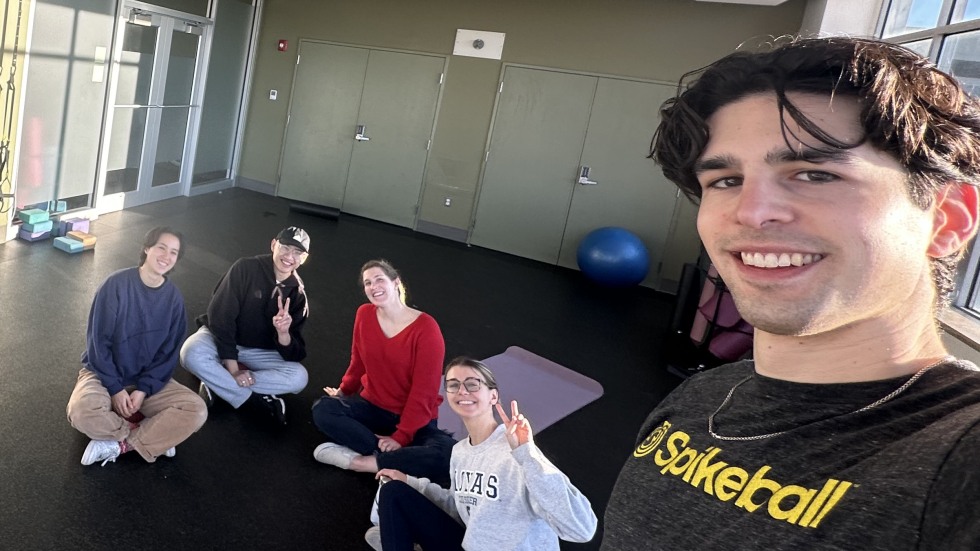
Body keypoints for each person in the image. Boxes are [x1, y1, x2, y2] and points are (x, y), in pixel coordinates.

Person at [601, 37, 980, 550]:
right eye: (726, 180)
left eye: (814, 173)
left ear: (947, 219)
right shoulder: (699, 398)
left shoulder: (956, 452)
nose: (752, 212)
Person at [366, 357, 598, 551]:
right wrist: (409, 481)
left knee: (394, 529)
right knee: (394, 491)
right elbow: (459, 506)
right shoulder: (460, 452)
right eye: (454, 385)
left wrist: (526, 454)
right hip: (470, 545)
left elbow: (582, 529)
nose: (462, 391)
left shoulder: (518, 452)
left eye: (473, 384)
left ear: (493, 396)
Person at [67, 226, 207, 466]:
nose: (166, 256)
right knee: (81, 412)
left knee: (197, 410)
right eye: (161, 248)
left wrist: (143, 389)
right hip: (103, 375)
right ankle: (152, 435)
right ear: (147, 248)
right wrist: (115, 388)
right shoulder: (115, 285)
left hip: (147, 381)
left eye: (173, 253)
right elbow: (98, 345)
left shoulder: (174, 300)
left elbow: (167, 355)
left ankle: (119, 443)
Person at [311, 259, 455, 484]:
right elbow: (358, 362)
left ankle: (363, 462)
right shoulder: (364, 314)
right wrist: (343, 392)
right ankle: (395, 461)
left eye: (379, 279)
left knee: (448, 454)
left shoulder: (426, 329)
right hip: (374, 409)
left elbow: (424, 391)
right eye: (368, 283)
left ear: (396, 282)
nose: (373, 286)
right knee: (323, 409)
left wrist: (402, 436)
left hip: (415, 419)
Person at [180, 226, 311, 425]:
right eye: (285, 248)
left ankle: (218, 384)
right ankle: (251, 400)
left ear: (303, 258)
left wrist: (283, 333)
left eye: (297, 253)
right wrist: (233, 369)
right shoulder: (245, 268)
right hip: (219, 338)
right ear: (274, 245)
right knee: (189, 353)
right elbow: (220, 318)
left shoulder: (298, 294)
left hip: (258, 350)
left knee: (299, 378)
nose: (289, 256)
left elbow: (295, 353)